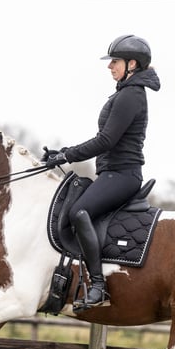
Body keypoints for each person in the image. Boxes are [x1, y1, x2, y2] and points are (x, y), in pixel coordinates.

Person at [43, 34, 160, 310]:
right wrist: (65, 151)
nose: (110, 66)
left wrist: (66, 155)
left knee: (79, 212)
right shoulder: (125, 91)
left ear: (132, 64)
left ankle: (98, 286)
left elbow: (106, 141)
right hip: (111, 173)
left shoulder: (131, 95)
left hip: (122, 175)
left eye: (115, 62)